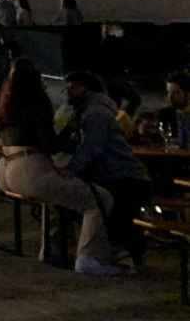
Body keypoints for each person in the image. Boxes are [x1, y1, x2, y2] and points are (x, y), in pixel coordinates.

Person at [0, 60, 123, 276]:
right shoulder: (37, 103)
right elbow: (49, 144)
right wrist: (68, 136)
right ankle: (90, 257)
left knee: (57, 198)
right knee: (98, 199)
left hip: (5, 167)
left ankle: (52, 251)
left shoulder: (6, 103)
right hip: (30, 168)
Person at [64, 71, 151, 269]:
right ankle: (122, 255)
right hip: (118, 175)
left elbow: (92, 147)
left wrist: (71, 169)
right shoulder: (88, 109)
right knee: (113, 216)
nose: (68, 92)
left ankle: (124, 257)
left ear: (85, 88)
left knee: (117, 218)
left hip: (124, 177)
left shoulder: (95, 113)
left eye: (72, 87)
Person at [156, 72, 190, 150]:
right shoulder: (177, 112)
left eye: (176, 93)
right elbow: (181, 143)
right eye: (169, 92)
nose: (170, 97)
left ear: (188, 94)